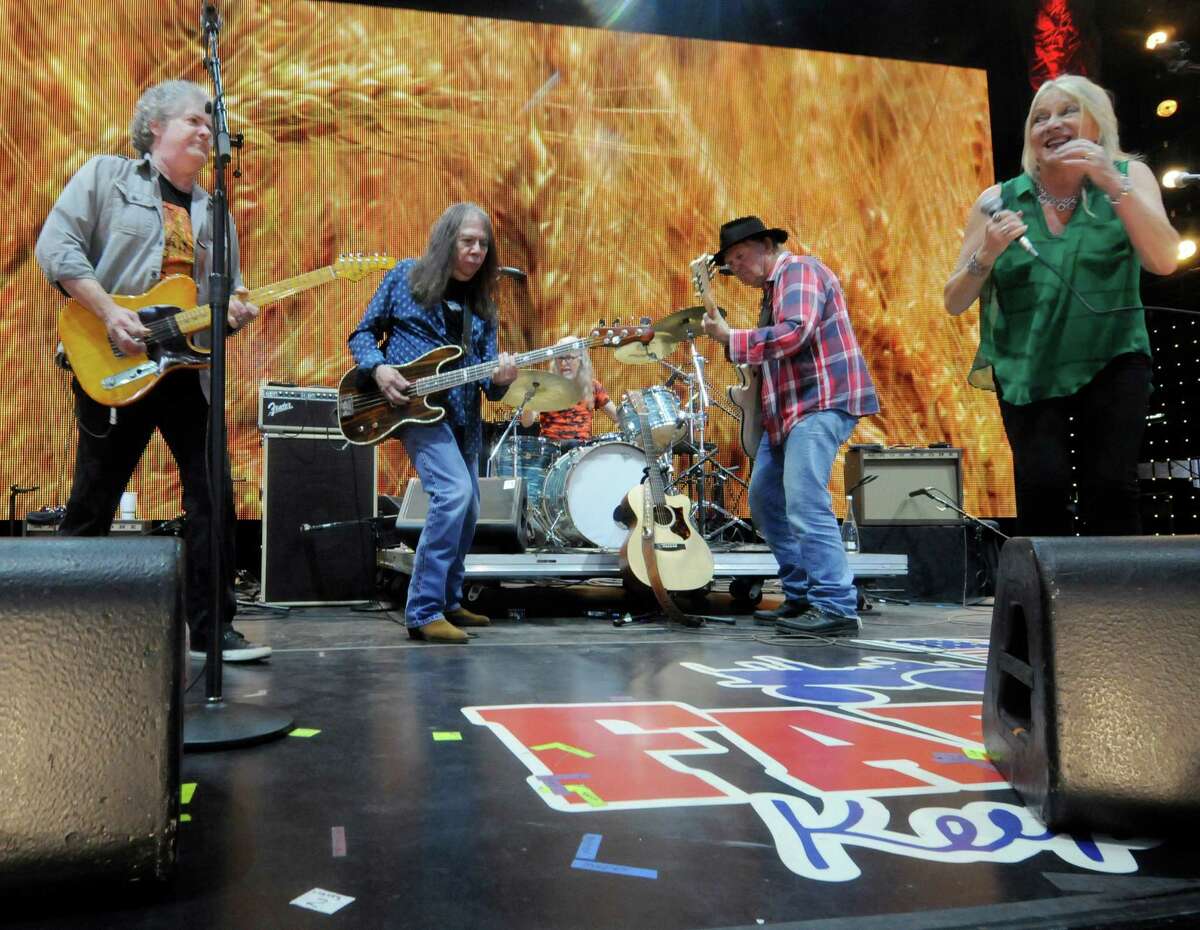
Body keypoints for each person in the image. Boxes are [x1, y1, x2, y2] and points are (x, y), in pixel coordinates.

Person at [34, 79, 270, 662]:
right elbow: (56, 248)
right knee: (93, 499)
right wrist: (111, 313)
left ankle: (214, 631)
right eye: (193, 120)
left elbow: (228, 296)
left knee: (214, 493)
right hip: (115, 360)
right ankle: (63, 629)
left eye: (209, 124)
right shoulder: (106, 178)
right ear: (155, 128)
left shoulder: (216, 212)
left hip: (188, 371)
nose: (204, 131)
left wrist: (234, 314)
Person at [943, 75, 1179, 536]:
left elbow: (1164, 260)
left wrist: (1111, 181)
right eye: (1040, 117)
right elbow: (954, 300)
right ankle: (1049, 606)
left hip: (1112, 354)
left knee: (1111, 487)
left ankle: (1118, 607)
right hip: (1028, 364)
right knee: (1042, 489)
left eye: (1067, 111)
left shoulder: (1129, 177)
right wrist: (987, 252)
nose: (1052, 124)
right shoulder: (997, 201)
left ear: (1096, 122)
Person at [701, 216, 880, 636]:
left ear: (766, 246)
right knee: (765, 500)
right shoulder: (772, 291)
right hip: (787, 415)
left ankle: (835, 603)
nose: (737, 270)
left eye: (741, 258)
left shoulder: (798, 270)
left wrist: (733, 337)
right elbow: (773, 352)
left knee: (803, 501)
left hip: (819, 403)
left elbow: (796, 333)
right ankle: (802, 594)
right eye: (730, 265)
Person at [349, 203, 518, 644]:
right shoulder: (406, 277)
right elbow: (362, 334)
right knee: (453, 494)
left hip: (463, 416)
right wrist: (379, 369)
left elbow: (490, 387)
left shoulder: (483, 309)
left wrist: (501, 380)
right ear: (447, 241)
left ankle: (449, 600)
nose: (477, 250)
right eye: (468, 241)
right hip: (411, 409)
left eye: (483, 243)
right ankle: (423, 610)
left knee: (471, 508)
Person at [519, 337, 620, 442]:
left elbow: (618, 418)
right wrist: (530, 402)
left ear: (580, 359)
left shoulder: (592, 386)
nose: (563, 363)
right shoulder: (544, 386)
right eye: (559, 358)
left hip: (581, 453)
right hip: (553, 452)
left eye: (569, 358)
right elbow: (526, 423)